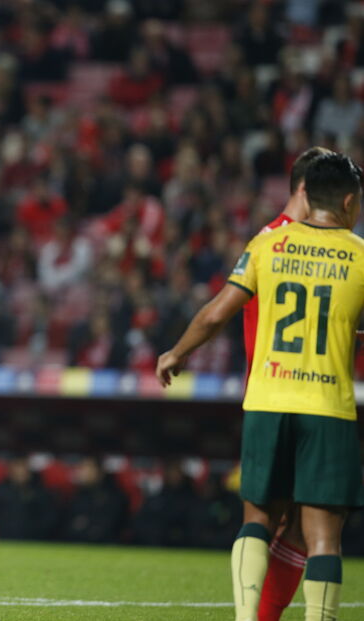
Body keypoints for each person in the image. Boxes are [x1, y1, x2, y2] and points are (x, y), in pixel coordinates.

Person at [157, 152, 364, 621]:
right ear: (350, 202)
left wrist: (176, 353)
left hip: (268, 398)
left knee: (258, 519)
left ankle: (248, 618)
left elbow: (214, 313)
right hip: (328, 405)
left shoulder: (269, 244)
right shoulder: (359, 255)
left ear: (306, 195)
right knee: (323, 534)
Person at [242, 146, 332, 621]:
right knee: (294, 520)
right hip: (295, 394)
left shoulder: (266, 241)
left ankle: (258, 617)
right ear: (305, 189)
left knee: (285, 518)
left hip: (270, 394)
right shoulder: (305, 247)